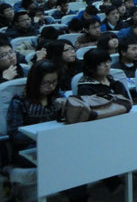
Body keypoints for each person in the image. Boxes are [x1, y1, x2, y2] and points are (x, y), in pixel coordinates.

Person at [6, 60, 89, 201]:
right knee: (66, 160)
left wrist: (68, 109)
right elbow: (15, 135)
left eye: (54, 82)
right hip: (29, 148)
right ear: (35, 81)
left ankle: (78, 196)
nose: (51, 86)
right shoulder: (20, 101)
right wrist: (41, 133)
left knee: (78, 154)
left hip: (57, 144)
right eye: (46, 83)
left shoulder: (58, 97)